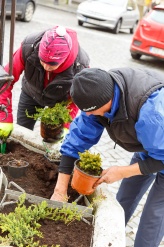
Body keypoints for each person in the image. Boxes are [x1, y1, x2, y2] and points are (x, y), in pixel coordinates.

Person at [51, 67, 164, 247]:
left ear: (108, 100)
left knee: (153, 216)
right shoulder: (97, 92)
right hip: (151, 143)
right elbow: (78, 138)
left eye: (90, 110)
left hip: (161, 140)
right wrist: (60, 190)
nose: (87, 114)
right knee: (124, 199)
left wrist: (123, 172)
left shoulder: (152, 112)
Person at [0, 25, 90, 140]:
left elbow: (76, 98)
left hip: (59, 102)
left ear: (65, 59)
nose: (47, 67)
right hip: (31, 93)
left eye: (53, 64)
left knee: (52, 139)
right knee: (22, 129)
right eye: (43, 61)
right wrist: (3, 117)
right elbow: (6, 80)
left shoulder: (80, 66)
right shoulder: (29, 47)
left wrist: (65, 125)